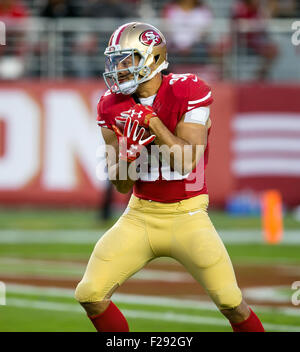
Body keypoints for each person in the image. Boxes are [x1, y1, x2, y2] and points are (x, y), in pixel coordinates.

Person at [75, 22, 265, 333]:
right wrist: (126, 158)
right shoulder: (111, 105)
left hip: (188, 214)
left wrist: (153, 124)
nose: (118, 68)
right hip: (140, 215)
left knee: (232, 303)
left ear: (151, 59)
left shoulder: (188, 89)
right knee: (89, 294)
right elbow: (121, 184)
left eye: (127, 60)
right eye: (115, 60)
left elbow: (187, 160)